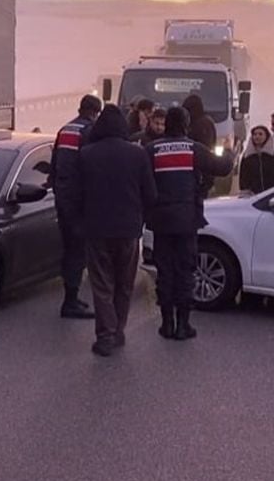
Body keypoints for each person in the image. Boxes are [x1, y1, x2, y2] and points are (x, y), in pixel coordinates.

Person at [74, 104, 157, 357]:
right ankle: (118, 330)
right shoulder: (137, 155)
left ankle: (105, 335)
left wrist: (80, 222)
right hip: (129, 230)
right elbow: (151, 194)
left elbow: (77, 194)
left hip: (97, 229)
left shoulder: (86, 154)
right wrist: (140, 217)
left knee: (102, 285)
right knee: (124, 284)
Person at [146, 107, 234, 340]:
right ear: (185, 125)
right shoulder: (193, 149)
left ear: (167, 125)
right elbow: (223, 167)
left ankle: (166, 324)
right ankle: (183, 325)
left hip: (161, 222)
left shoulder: (152, 150)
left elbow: (141, 180)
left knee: (164, 272)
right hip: (187, 221)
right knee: (185, 271)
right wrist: (228, 152)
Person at [46, 94, 102, 320]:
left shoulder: (65, 129)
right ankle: (70, 302)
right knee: (77, 250)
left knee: (70, 247)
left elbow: (55, 163)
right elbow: (91, 166)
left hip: (63, 197)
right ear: (94, 113)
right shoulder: (88, 132)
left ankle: (71, 297)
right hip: (79, 200)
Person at [238, 125, 274, 194]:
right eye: (255, 134)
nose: (257, 136)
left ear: (267, 136)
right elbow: (243, 176)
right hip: (252, 194)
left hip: (271, 192)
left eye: (260, 134)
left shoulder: (273, 154)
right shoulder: (247, 155)